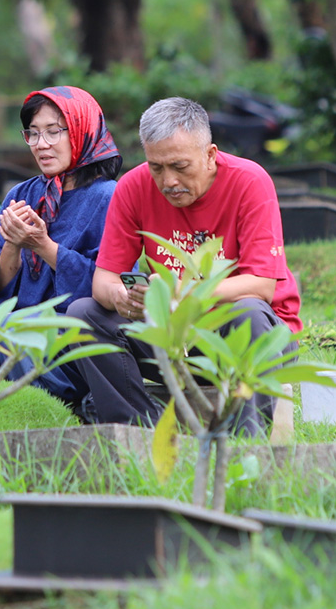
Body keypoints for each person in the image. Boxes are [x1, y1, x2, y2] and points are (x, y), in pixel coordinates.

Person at [64, 96, 302, 434]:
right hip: (176, 339)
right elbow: (103, 280)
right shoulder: (132, 187)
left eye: (180, 166)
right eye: (156, 167)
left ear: (210, 155)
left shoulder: (250, 181)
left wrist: (180, 292)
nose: (168, 182)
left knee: (248, 311)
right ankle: (144, 434)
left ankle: (246, 445)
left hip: (252, 338)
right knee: (84, 314)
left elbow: (261, 286)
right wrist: (121, 297)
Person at [0, 86, 121, 406]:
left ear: (82, 130)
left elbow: (109, 288)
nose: (42, 144)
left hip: (72, 336)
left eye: (54, 132)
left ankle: (33, 419)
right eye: (33, 134)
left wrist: (43, 246)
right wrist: (12, 245)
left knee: (11, 338)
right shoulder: (21, 195)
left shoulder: (110, 197)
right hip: (17, 320)